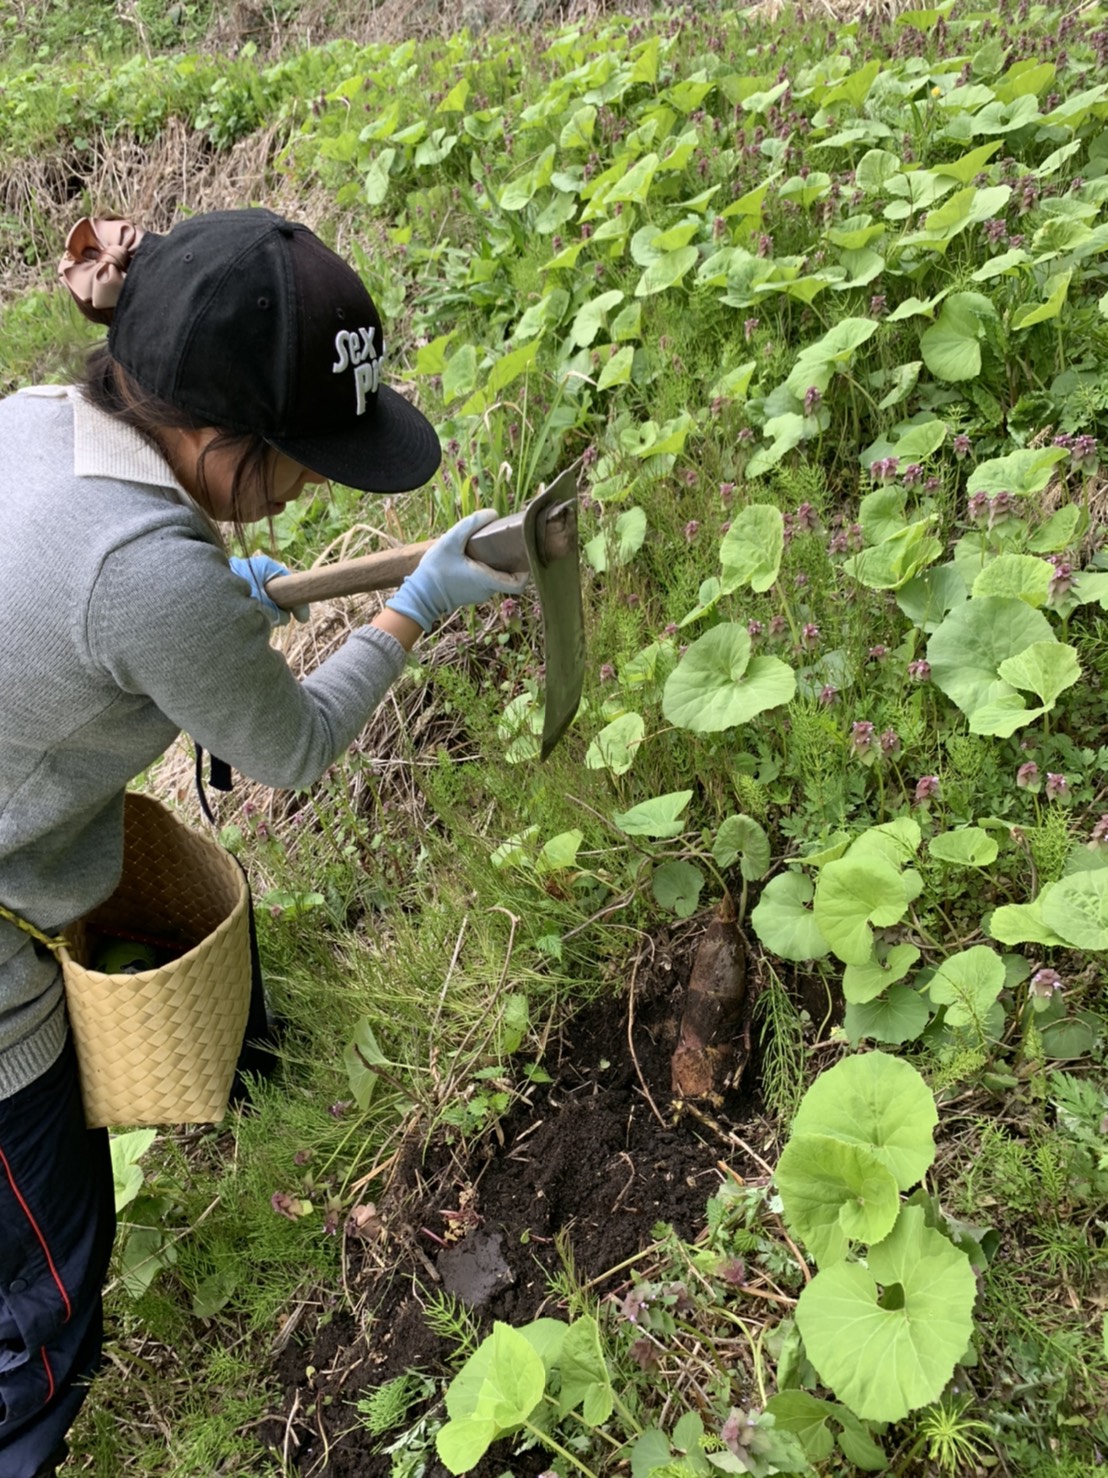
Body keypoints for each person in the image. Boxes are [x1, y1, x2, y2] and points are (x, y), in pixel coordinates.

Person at [0, 208, 528, 1477]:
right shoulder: (149, 570)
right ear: (214, 439)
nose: (313, 483)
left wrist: (197, 605)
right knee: (47, 1295)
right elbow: (288, 747)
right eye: (300, 455)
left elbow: (67, 613)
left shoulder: (33, 422)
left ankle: (250, 1077)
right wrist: (412, 609)